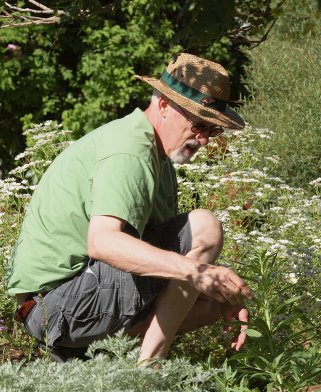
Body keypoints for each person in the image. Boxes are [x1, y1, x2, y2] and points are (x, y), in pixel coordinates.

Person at [7, 53, 252, 363]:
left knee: (211, 305)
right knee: (205, 227)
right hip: (53, 306)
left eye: (212, 130)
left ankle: (101, 363)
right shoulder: (129, 150)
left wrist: (223, 293)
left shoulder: (160, 161)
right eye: (199, 125)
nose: (203, 140)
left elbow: (161, 267)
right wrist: (196, 270)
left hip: (72, 301)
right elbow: (103, 243)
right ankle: (146, 375)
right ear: (164, 105)